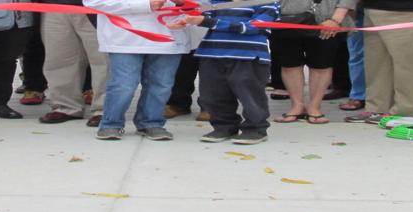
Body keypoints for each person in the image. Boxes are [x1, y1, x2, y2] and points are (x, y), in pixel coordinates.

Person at [167, 0, 282, 146]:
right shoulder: (216, 2)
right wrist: (186, 20)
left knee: (250, 95)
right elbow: (203, 17)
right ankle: (224, 127)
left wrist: (211, 22)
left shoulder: (267, 2)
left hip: (248, 55)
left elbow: (253, 27)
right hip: (212, 53)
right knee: (212, 95)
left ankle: (255, 129)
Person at [84, 0, 189, 141]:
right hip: (124, 36)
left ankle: (151, 123)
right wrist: (146, 5)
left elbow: (200, 3)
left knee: (161, 85)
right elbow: (93, 2)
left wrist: (183, 8)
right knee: (123, 85)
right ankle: (111, 123)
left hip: (170, 35)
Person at [346, 0, 413, 124]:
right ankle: (378, 108)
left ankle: (408, 112)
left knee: (410, 64)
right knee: (377, 64)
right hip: (376, 8)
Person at [271, 0, 355, 125]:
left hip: (327, 20)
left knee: (322, 65)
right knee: (290, 65)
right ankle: (296, 106)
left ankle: (314, 107)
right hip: (284, 19)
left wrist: (336, 19)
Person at [39, 0, 110, 127]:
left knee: (103, 61)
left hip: (97, 7)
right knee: (59, 59)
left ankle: (105, 109)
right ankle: (65, 106)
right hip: (55, 6)